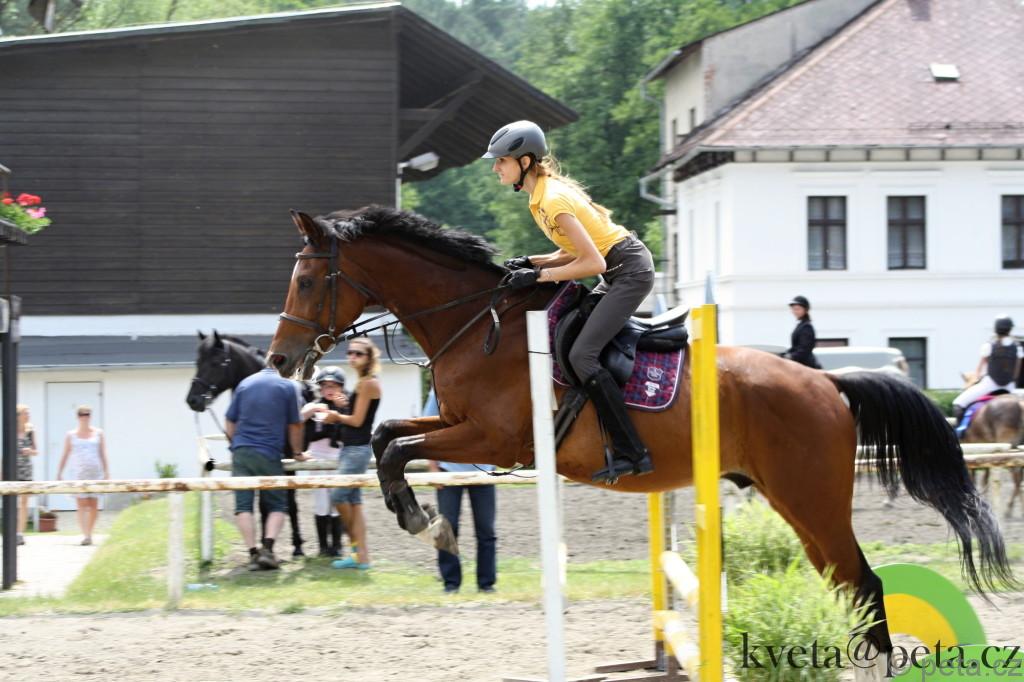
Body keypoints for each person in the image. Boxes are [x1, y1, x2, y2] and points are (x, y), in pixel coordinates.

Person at [485, 120, 655, 483]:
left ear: (525, 161)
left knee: (582, 355)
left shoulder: (551, 200)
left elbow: (593, 263)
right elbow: (571, 250)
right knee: (571, 341)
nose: (495, 167)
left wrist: (538, 276)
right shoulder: (539, 198)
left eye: (501, 160)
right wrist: (533, 261)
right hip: (618, 270)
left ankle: (633, 451)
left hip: (629, 272)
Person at [225, 366, 306, 571]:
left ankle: (253, 554)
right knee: (278, 505)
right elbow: (295, 425)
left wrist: (234, 445)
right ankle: (267, 550)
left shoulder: (245, 383)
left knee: (243, 507)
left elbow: (230, 420)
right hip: (268, 452)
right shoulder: (288, 386)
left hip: (241, 452)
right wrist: (297, 452)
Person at [423, 389, 497, 594]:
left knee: (486, 530)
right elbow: (428, 426)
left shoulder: (489, 387)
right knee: (448, 529)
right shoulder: (439, 390)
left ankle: (487, 584)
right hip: (449, 469)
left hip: (484, 470)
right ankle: (451, 583)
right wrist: (432, 467)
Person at [325, 337, 381, 570]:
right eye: (350, 353)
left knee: (338, 496)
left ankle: (358, 550)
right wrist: (343, 405)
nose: (352, 357)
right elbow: (358, 416)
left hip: (357, 450)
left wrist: (335, 416)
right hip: (352, 448)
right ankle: (361, 558)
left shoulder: (368, 384)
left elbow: (358, 421)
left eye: (358, 354)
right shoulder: (363, 382)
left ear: (369, 358)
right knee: (354, 503)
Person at [301, 366, 349, 558]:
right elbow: (299, 417)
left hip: (338, 457)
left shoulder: (347, 405)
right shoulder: (314, 405)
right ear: (320, 388)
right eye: (326, 386)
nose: (329, 390)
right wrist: (313, 408)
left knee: (337, 501)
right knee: (321, 501)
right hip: (317, 458)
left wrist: (342, 409)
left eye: (334, 386)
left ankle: (337, 544)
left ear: (341, 387)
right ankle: (323, 546)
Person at [952, 315, 1023, 423]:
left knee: (958, 403)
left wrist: (976, 379)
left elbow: (979, 371)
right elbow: (1016, 373)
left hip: (990, 385)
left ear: (996, 329)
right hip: (1010, 387)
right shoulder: (1017, 347)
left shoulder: (989, 346)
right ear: (1010, 329)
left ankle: (960, 430)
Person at [56, 406, 110, 546]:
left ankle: (90, 533)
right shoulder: (71, 435)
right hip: (78, 474)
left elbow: (103, 453)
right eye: (82, 414)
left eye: (87, 414)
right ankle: (85, 535)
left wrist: (107, 472)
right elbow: (65, 454)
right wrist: (59, 472)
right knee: (82, 504)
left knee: (93, 504)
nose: (84, 417)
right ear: (78, 417)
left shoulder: (98, 433)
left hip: (95, 474)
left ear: (90, 416)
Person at [15, 405, 38, 546]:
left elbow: (36, 451)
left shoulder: (30, 431)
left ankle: (20, 534)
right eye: (25, 413)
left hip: (26, 470)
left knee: (24, 502)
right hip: (12, 470)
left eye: (28, 413)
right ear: (18, 416)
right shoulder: (11, 431)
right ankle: (11, 531)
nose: (28, 415)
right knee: (11, 501)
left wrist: (30, 451)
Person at [782, 295, 821, 369]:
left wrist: (790, 356)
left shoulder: (807, 327)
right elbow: (795, 347)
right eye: (793, 309)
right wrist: (784, 354)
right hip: (799, 363)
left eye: (797, 309)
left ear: (805, 310)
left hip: (806, 366)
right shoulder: (800, 325)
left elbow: (804, 350)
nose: (795, 312)